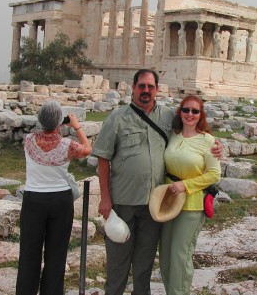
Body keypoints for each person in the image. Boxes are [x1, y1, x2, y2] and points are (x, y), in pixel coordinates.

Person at [92, 69, 222, 295]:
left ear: (157, 90)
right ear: (133, 88)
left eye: (150, 87)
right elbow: (103, 159)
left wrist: (215, 146)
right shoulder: (117, 118)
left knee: (144, 265)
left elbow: (191, 131)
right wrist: (105, 198)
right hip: (123, 202)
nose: (146, 91)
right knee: (117, 265)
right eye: (141, 86)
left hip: (154, 206)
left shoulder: (167, 117)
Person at [16, 100, 92, 295]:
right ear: (60, 121)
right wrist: (76, 126)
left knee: (29, 253)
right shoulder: (68, 145)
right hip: (60, 201)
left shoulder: (28, 140)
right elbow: (87, 148)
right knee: (56, 254)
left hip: (33, 199)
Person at [159, 95, 221, 295]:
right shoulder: (173, 135)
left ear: (201, 115)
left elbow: (214, 174)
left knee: (180, 255)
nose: (190, 114)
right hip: (168, 201)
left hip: (192, 203)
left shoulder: (208, 141)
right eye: (186, 110)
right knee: (166, 255)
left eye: (195, 111)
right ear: (180, 112)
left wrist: (186, 185)